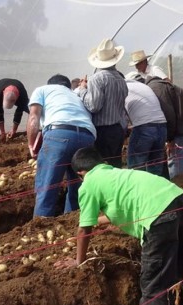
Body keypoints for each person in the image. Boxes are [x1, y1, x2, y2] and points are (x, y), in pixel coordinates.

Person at [56, 147, 183, 305]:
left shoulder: (89, 184)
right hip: (178, 199)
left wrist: (78, 261)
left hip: (158, 216)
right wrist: (99, 221)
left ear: (80, 173)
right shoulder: (115, 174)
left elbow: (84, 230)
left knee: (153, 287)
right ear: (101, 163)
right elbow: (114, 210)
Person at [26, 74, 96, 217]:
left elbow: (34, 117)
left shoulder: (42, 90)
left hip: (59, 134)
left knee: (47, 185)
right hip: (87, 137)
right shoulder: (76, 95)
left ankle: (41, 226)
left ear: (50, 83)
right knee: (78, 186)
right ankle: (72, 222)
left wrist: (31, 144)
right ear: (67, 86)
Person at [77, 38, 128, 168]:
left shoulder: (97, 78)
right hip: (118, 129)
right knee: (115, 164)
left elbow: (94, 106)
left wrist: (83, 90)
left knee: (103, 165)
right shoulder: (121, 79)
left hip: (103, 131)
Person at [145, 75, 183, 178]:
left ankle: (177, 183)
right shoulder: (159, 86)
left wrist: (170, 139)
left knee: (177, 156)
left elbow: (169, 115)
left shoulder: (155, 89)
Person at [124, 73, 168, 177]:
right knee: (155, 166)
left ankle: (137, 191)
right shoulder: (144, 86)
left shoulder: (123, 87)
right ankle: (155, 190)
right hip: (162, 126)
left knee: (136, 167)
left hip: (144, 128)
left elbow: (121, 115)